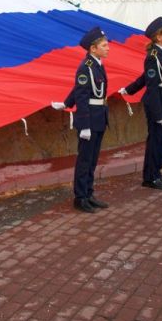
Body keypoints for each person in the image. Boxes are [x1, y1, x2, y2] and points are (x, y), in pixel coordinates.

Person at [52, 26, 111, 213]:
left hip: (99, 117)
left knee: (93, 160)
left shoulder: (97, 65)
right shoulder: (86, 68)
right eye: (104, 45)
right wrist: (84, 125)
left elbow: (77, 90)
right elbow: (83, 95)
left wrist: (66, 103)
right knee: (85, 160)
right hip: (90, 120)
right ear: (93, 49)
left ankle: (89, 193)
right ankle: (80, 197)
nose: (108, 48)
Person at [120, 16, 162, 191]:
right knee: (155, 141)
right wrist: (158, 113)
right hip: (157, 103)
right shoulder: (153, 56)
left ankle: (157, 173)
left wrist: (129, 89)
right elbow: (152, 86)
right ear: (158, 37)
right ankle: (150, 177)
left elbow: (145, 78)